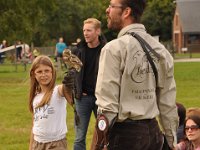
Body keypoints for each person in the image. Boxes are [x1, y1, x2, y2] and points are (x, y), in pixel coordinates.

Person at [94, 0, 179, 150]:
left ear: (126, 12)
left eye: (111, 6)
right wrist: (171, 142)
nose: (107, 10)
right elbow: (168, 104)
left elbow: (107, 106)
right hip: (154, 134)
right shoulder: (160, 50)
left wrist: (99, 143)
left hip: (125, 136)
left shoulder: (114, 49)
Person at [72, 18, 106, 150]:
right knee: (79, 137)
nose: (85, 33)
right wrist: (75, 91)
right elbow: (72, 73)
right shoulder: (77, 51)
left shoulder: (107, 50)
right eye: (84, 30)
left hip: (102, 99)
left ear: (97, 31)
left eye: (89, 30)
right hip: (83, 98)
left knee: (105, 135)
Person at [28, 55, 74, 150]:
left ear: (52, 72)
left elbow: (66, 89)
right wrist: (31, 147)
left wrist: (71, 80)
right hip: (37, 144)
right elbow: (34, 125)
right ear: (34, 74)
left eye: (47, 71)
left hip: (56, 144)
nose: (43, 74)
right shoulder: (35, 97)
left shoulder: (58, 91)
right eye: (39, 72)